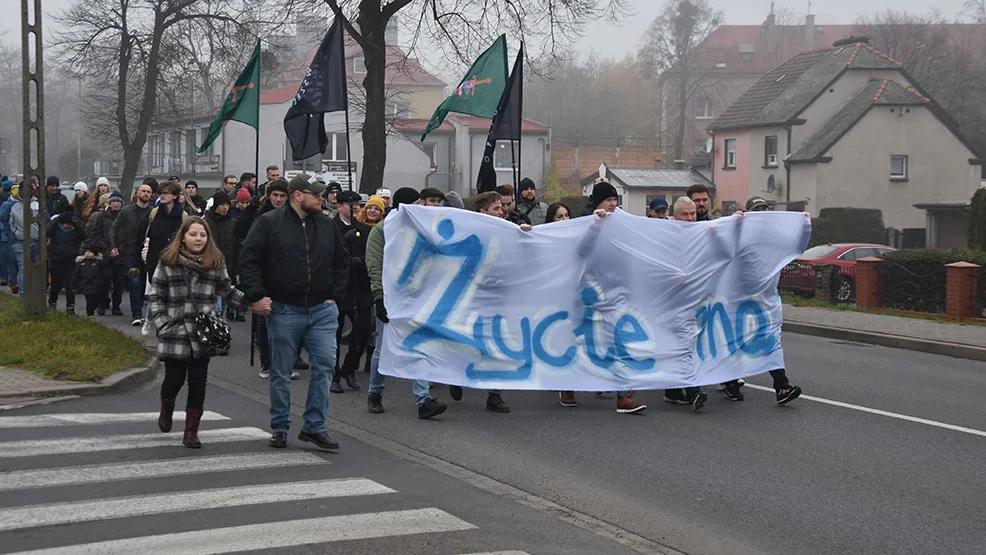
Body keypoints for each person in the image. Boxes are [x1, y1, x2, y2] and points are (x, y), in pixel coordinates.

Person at [239, 173, 351, 451]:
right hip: (284, 309)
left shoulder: (326, 225)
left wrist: (335, 295)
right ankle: (279, 426)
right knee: (281, 371)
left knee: (325, 364)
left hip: (322, 311)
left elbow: (342, 261)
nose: (323, 199)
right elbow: (248, 258)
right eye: (317, 194)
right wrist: (255, 295)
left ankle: (314, 426)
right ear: (298, 195)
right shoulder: (268, 223)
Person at [148, 216, 247, 448]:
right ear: (183, 236)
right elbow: (156, 295)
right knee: (174, 379)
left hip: (203, 331)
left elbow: (227, 290)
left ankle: (191, 431)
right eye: (193, 234)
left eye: (202, 235)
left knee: (198, 382)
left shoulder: (215, 261)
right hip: (175, 330)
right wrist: (162, 323)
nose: (198, 239)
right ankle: (167, 405)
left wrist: (253, 302)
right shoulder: (168, 260)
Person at [365, 187, 447, 418]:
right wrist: (378, 298)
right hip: (390, 298)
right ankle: (375, 392)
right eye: (417, 202)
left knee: (418, 345)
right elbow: (374, 266)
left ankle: (423, 401)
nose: (421, 206)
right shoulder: (382, 231)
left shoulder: (421, 231)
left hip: (415, 298)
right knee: (383, 348)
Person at [579, 180, 648, 414]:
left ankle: (622, 392)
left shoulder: (620, 222)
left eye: (616, 200)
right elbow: (581, 250)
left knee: (618, 339)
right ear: (598, 201)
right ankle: (566, 385)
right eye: (609, 199)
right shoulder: (587, 221)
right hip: (590, 292)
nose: (613, 204)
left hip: (615, 292)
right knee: (583, 341)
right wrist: (596, 224)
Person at [234, 178, 304, 378]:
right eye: (275, 195)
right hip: (264, 275)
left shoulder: (293, 215)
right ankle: (267, 363)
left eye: (283, 196)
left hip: (288, 275)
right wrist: (250, 209)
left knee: (289, 321)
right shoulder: (260, 215)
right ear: (269, 195)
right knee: (264, 322)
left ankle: (288, 362)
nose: (279, 199)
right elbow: (239, 232)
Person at [330, 190, 371, 393]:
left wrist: (361, 261)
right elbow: (328, 256)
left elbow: (371, 255)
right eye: (350, 204)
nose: (355, 207)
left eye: (357, 204)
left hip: (360, 287)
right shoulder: (331, 229)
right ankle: (334, 374)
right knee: (334, 334)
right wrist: (345, 247)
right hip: (339, 288)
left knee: (363, 329)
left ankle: (349, 367)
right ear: (339, 206)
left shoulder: (364, 230)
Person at [112, 180, 154, 325]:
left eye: (148, 192)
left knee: (144, 283)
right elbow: (114, 228)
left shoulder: (153, 212)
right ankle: (137, 314)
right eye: (143, 191)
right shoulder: (126, 211)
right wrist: (114, 246)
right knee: (135, 281)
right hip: (130, 251)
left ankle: (142, 311)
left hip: (148, 252)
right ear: (137, 193)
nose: (146, 193)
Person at [136, 181, 188, 296]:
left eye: (166, 193)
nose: (162, 196)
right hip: (155, 263)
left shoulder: (183, 217)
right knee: (156, 297)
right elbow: (140, 237)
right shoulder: (153, 214)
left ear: (174, 196)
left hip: (175, 263)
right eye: (160, 193)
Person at [86, 190, 127, 316]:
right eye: (113, 201)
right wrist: (105, 249)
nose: (115, 204)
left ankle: (116, 306)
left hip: (121, 254)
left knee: (119, 283)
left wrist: (121, 249)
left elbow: (129, 235)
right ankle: (102, 304)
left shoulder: (125, 217)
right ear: (109, 203)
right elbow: (95, 234)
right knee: (105, 281)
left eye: (118, 202)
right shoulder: (101, 216)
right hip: (105, 254)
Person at [205, 191, 237, 343]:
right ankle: (217, 337)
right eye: (221, 205)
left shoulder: (232, 223)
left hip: (228, 269)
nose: (224, 208)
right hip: (210, 269)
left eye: (227, 205)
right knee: (216, 307)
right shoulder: (206, 222)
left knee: (222, 304)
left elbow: (237, 247)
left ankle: (215, 331)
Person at [46, 210, 85, 314]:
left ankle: (70, 307)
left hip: (70, 260)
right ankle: (52, 303)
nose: (68, 226)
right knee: (55, 284)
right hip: (56, 260)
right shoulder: (54, 228)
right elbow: (47, 230)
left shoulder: (75, 230)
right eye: (66, 224)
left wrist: (76, 223)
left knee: (70, 285)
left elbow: (83, 234)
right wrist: (56, 219)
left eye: (70, 224)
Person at [72, 244, 106, 322]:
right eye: (86, 252)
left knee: (95, 301)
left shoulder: (99, 263)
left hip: (96, 285)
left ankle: (93, 310)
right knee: (89, 301)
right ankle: (90, 315)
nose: (87, 254)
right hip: (85, 285)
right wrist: (74, 285)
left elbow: (104, 272)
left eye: (90, 252)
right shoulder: (81, 263)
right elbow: (76, 274)